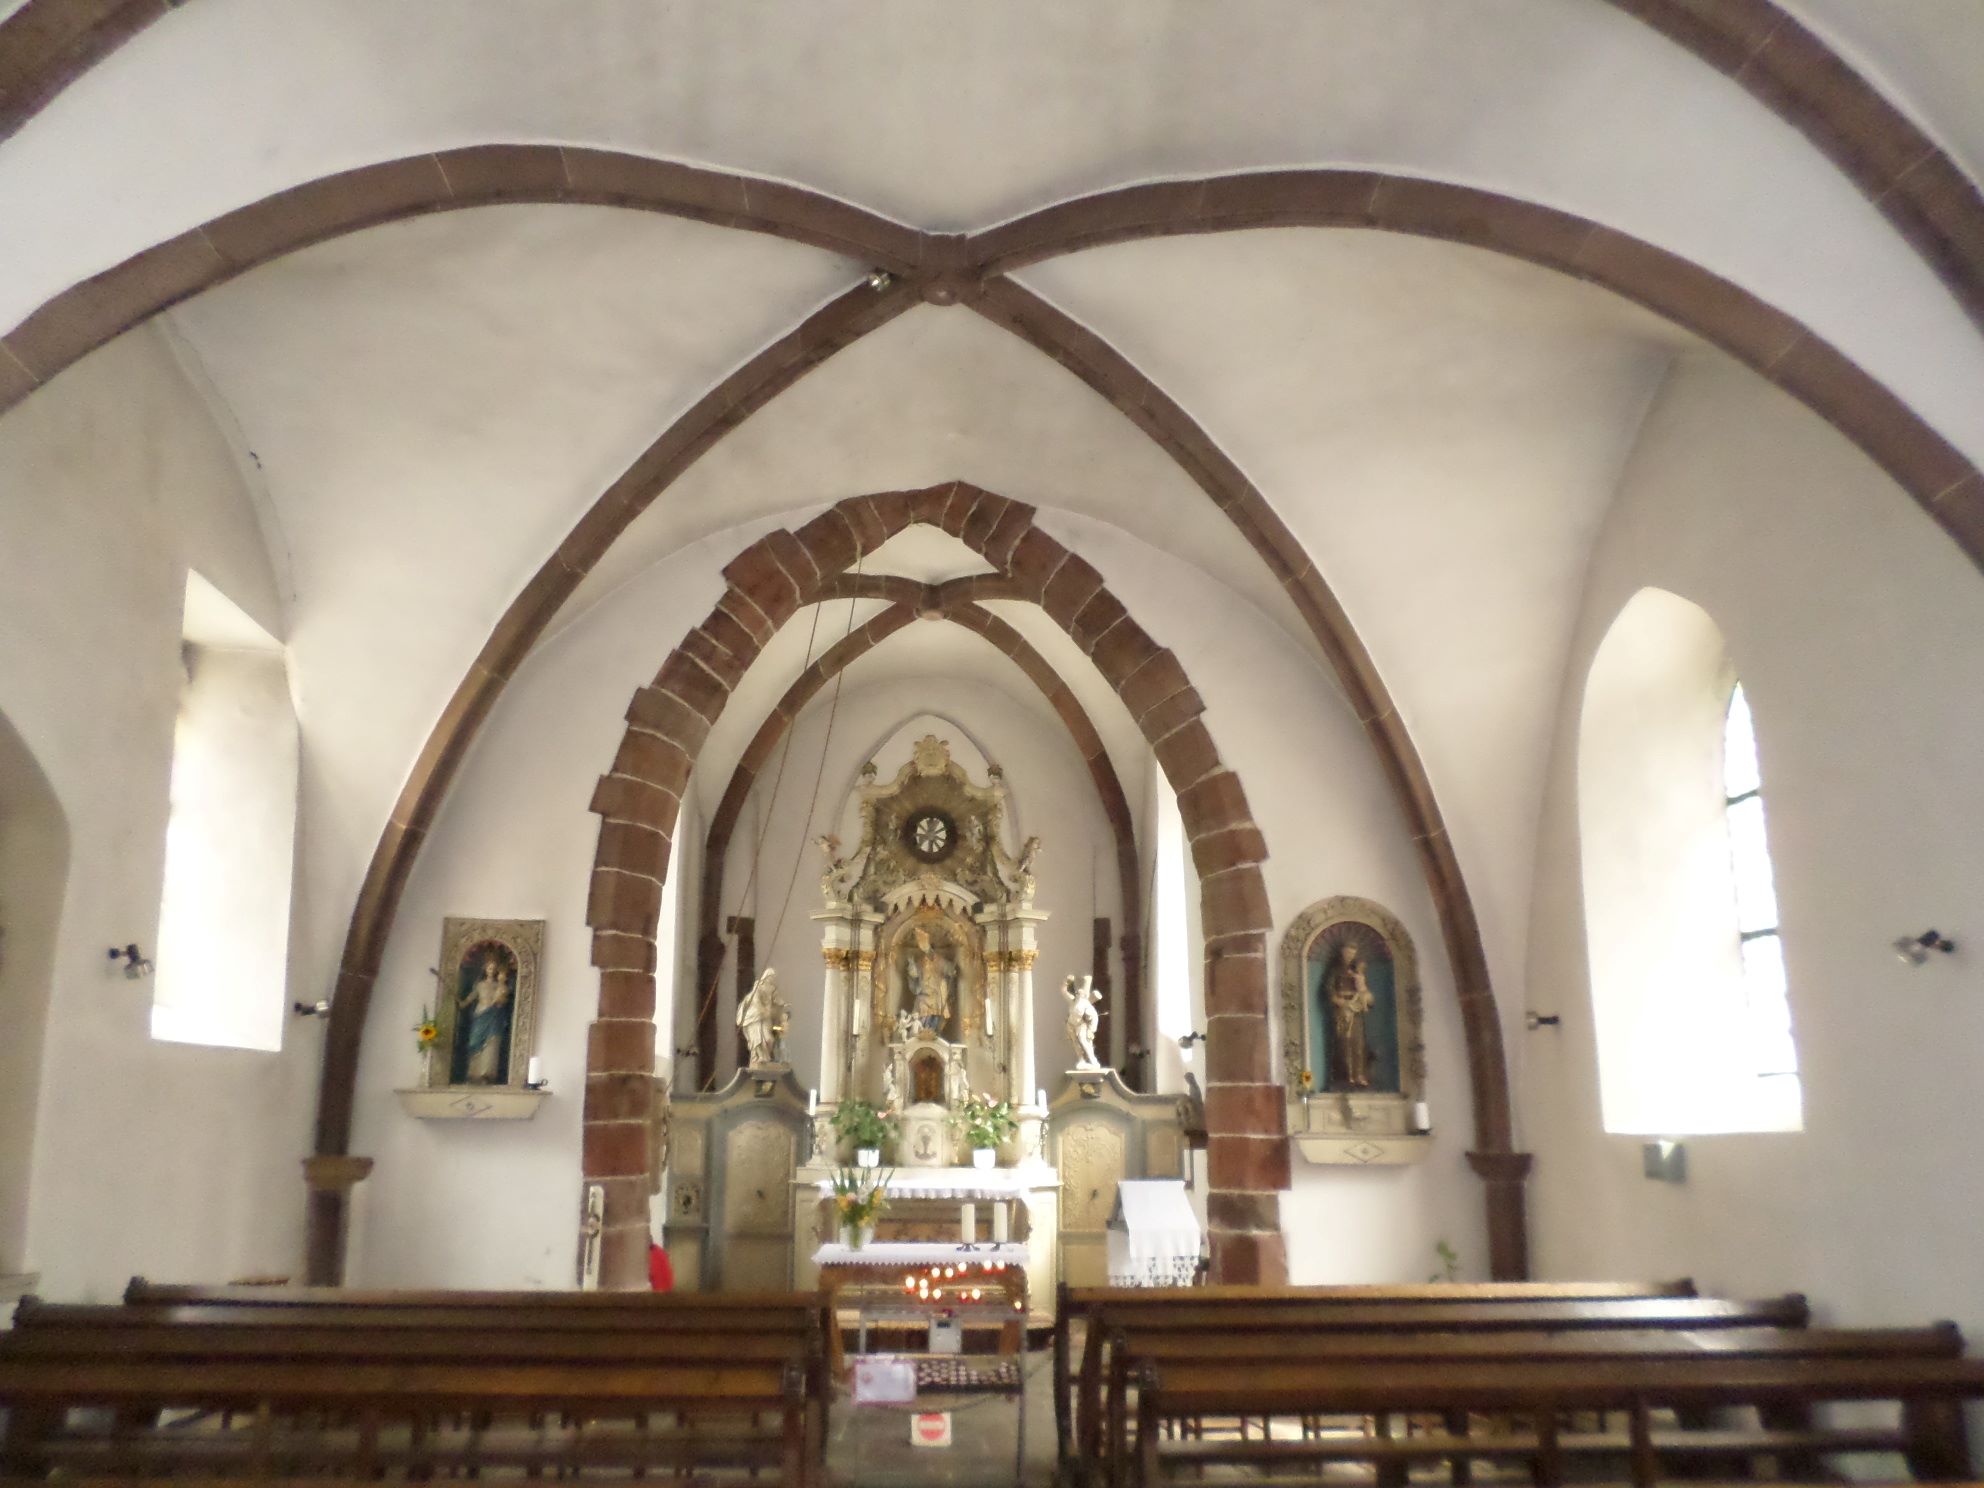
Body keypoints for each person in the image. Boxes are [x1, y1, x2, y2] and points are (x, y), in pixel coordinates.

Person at [457, 951, 514, 1084]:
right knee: (474, 1042)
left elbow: (502, 1001)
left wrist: (500, 995)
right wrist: (462, 1003)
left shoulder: (500, 986)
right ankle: (473, 1073)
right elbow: (469, 999)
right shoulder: (480, 985)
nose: (491, 971)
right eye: (489, 968)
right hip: (480, 1014)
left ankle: (487, 1074)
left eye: (494, 969)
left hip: (494, 1016)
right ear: (485, 969)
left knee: (492, 1043)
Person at [1325, 942, 1375, 1089]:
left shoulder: (1357, 972)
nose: (1349, 956)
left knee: (1358, 1042)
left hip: (1356, 1009)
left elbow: (1365, 993)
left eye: (1352, 953)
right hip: (1342, 1010)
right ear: (1342, 952)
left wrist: (1363, 998)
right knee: (1344, 1041)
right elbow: (1329, 990)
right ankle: (1346, 1075)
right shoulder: (1335, 971)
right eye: (1347, 952)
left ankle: (1359, 1075)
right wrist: (1338, 1000)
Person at [736, 967, 790, 1067]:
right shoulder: (759, 986)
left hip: (766, 1017)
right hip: (756, 1016)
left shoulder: (772, 988)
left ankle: (765, 1059)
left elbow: (777, 1000)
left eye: (773, 977)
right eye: (771, 976)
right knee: (759, 1038)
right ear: (766, 976)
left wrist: (783, 1005)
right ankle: (760, 1058)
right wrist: (762, 1010)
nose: (772, 979)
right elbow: (755, 1000)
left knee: (769, 1039)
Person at [1063, 974, 1103, 1070]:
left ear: (1083, 995)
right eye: (1077, 994)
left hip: (1080, 1025)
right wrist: (1067, 982)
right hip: (1071, 1025)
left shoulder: (1085, 1004)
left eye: (1080, 994)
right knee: (1075, 1043)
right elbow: (1065, 992)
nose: (1078, 995)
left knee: (1083, 1041)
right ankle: (1081, 1060)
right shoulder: (1073, 1001)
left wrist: (1091, 1030)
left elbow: (1094, 1017)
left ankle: (1093, 1061)